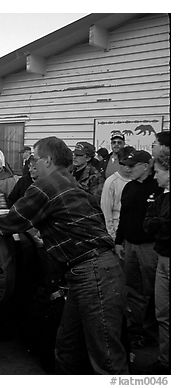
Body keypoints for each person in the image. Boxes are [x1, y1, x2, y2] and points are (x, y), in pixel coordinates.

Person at [0, 136, 129, 374]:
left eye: (35, 159)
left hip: (93, 273)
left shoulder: (46, 186)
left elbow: (14, 219)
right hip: (87, 272)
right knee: (67, 346)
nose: (32, 164)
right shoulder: (71, 183)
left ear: (48, 160)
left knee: (107, 357)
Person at [114, 150, 163, 350]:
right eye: (126, 165)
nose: (128, 169)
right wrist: (118, 241)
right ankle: (135, 330)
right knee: (132, 289)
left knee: (151, 291)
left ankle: (152, 332)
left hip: (149, 246)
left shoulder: (158, 187)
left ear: (146, 165)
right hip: (129, 244)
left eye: (132, 166)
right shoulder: (129, 188)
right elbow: (123, 217)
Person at [142, 148, 170, 374]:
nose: (155, 176)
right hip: (163, 256)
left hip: (169, 258)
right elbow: (148, 223)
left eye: (159, 172)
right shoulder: (161, 197)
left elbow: (158, 225)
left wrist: (160, 223)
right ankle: (166, 359)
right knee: (163, 313)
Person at [100, 146, 135, 239]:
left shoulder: (137, 180)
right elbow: (106, 211)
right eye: (124, 163)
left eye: (131, 164)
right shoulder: (111, 182)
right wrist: (112, 235)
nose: (128, 167)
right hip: (117, 232)